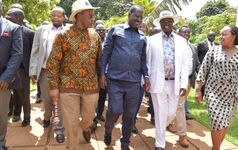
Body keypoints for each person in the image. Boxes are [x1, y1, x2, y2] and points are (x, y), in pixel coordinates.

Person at [195, 25, 238, 150]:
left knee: (225, 124)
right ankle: (216, 148)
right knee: (217, 120)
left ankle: (216, 147)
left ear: (233, 36)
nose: (220, 37)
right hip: (213, 91)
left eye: (224, 34)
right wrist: (198, 90)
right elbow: (203, 71)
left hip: (231, 95)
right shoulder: (213, 51)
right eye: (220, 34)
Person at [47, 0, 101, 149]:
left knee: (89, 119)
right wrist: (53, 86)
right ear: (79, 15)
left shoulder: (95, 36)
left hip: (91, 87)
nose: (93, 18)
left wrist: (102, 77)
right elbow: (53, 62)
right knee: (71, 123)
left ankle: (86, 128)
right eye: (90, 15)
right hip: (68, 87)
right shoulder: (63, 36)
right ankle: (72, 146)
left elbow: (99, 60)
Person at [99, 5, 150, 150]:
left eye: (141, 18)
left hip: (133, 82)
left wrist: (146, 75)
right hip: (115, 80)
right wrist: (102, 73)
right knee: (114, 110)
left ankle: (125, 143)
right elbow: (106, 54)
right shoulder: (115, 30)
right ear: (129, 14)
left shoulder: (142, 37)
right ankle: (108, 130)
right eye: (137, 17)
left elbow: (142, 60)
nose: (139, 20)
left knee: (130, 115)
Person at [146, 11, 191, 150]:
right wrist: (146, 79)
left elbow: (184, 64)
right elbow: (147, 62)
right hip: (157, 82)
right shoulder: (151, 40)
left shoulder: (181, 41)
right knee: (160, 113)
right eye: (163, 21)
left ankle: (160, 128)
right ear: (160, 24)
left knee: (171, 113)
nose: (166, 24)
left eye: (169, 21)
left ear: (173, 23)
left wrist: (184, 84)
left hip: (175, 83)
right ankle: (160, 144)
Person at [29, 6, 66, 143]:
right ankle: (47, 116)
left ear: (64, 17)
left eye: (58, 16)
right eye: (53, 15)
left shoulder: (68, 31)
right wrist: (33, 70)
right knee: (47, 99)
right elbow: (35, 51)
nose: (55, 18)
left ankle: (59, 129)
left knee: (60, 101)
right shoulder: (41, 30)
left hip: (62, 73)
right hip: (45, 71)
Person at [0, 0, 23, 149]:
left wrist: (7, 76)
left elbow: (17, 54)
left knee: (1, 115)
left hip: (2, 80)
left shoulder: (13, 28)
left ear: (1, 8)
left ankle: (1, 142)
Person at [6, 8, 35, 127]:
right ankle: (16, 114)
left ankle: (27, 118)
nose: (7, 17)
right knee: (15, 93)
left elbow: (34, 53)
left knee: (24, 95)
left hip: (23, 70)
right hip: (10, 69)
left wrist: (33, 71)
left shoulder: (30, 33)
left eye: (10, 15)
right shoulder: (7, 30)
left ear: (18, 17)